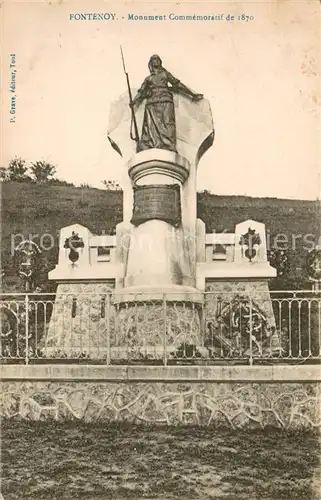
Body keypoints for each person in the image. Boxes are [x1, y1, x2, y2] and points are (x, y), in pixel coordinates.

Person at [131, 54, 203, 153]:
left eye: (157, 59)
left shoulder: (165, 74)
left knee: (168, 125)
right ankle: (152, 145)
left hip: (166, 101)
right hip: (152, 104)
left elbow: (177, 84)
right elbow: (141, 91)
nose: (156, 61)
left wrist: (192, 95)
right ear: (151, 63)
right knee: (151, 127)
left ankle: (169, 145)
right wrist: (134, 101)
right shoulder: (148, 79)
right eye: (154, 59)